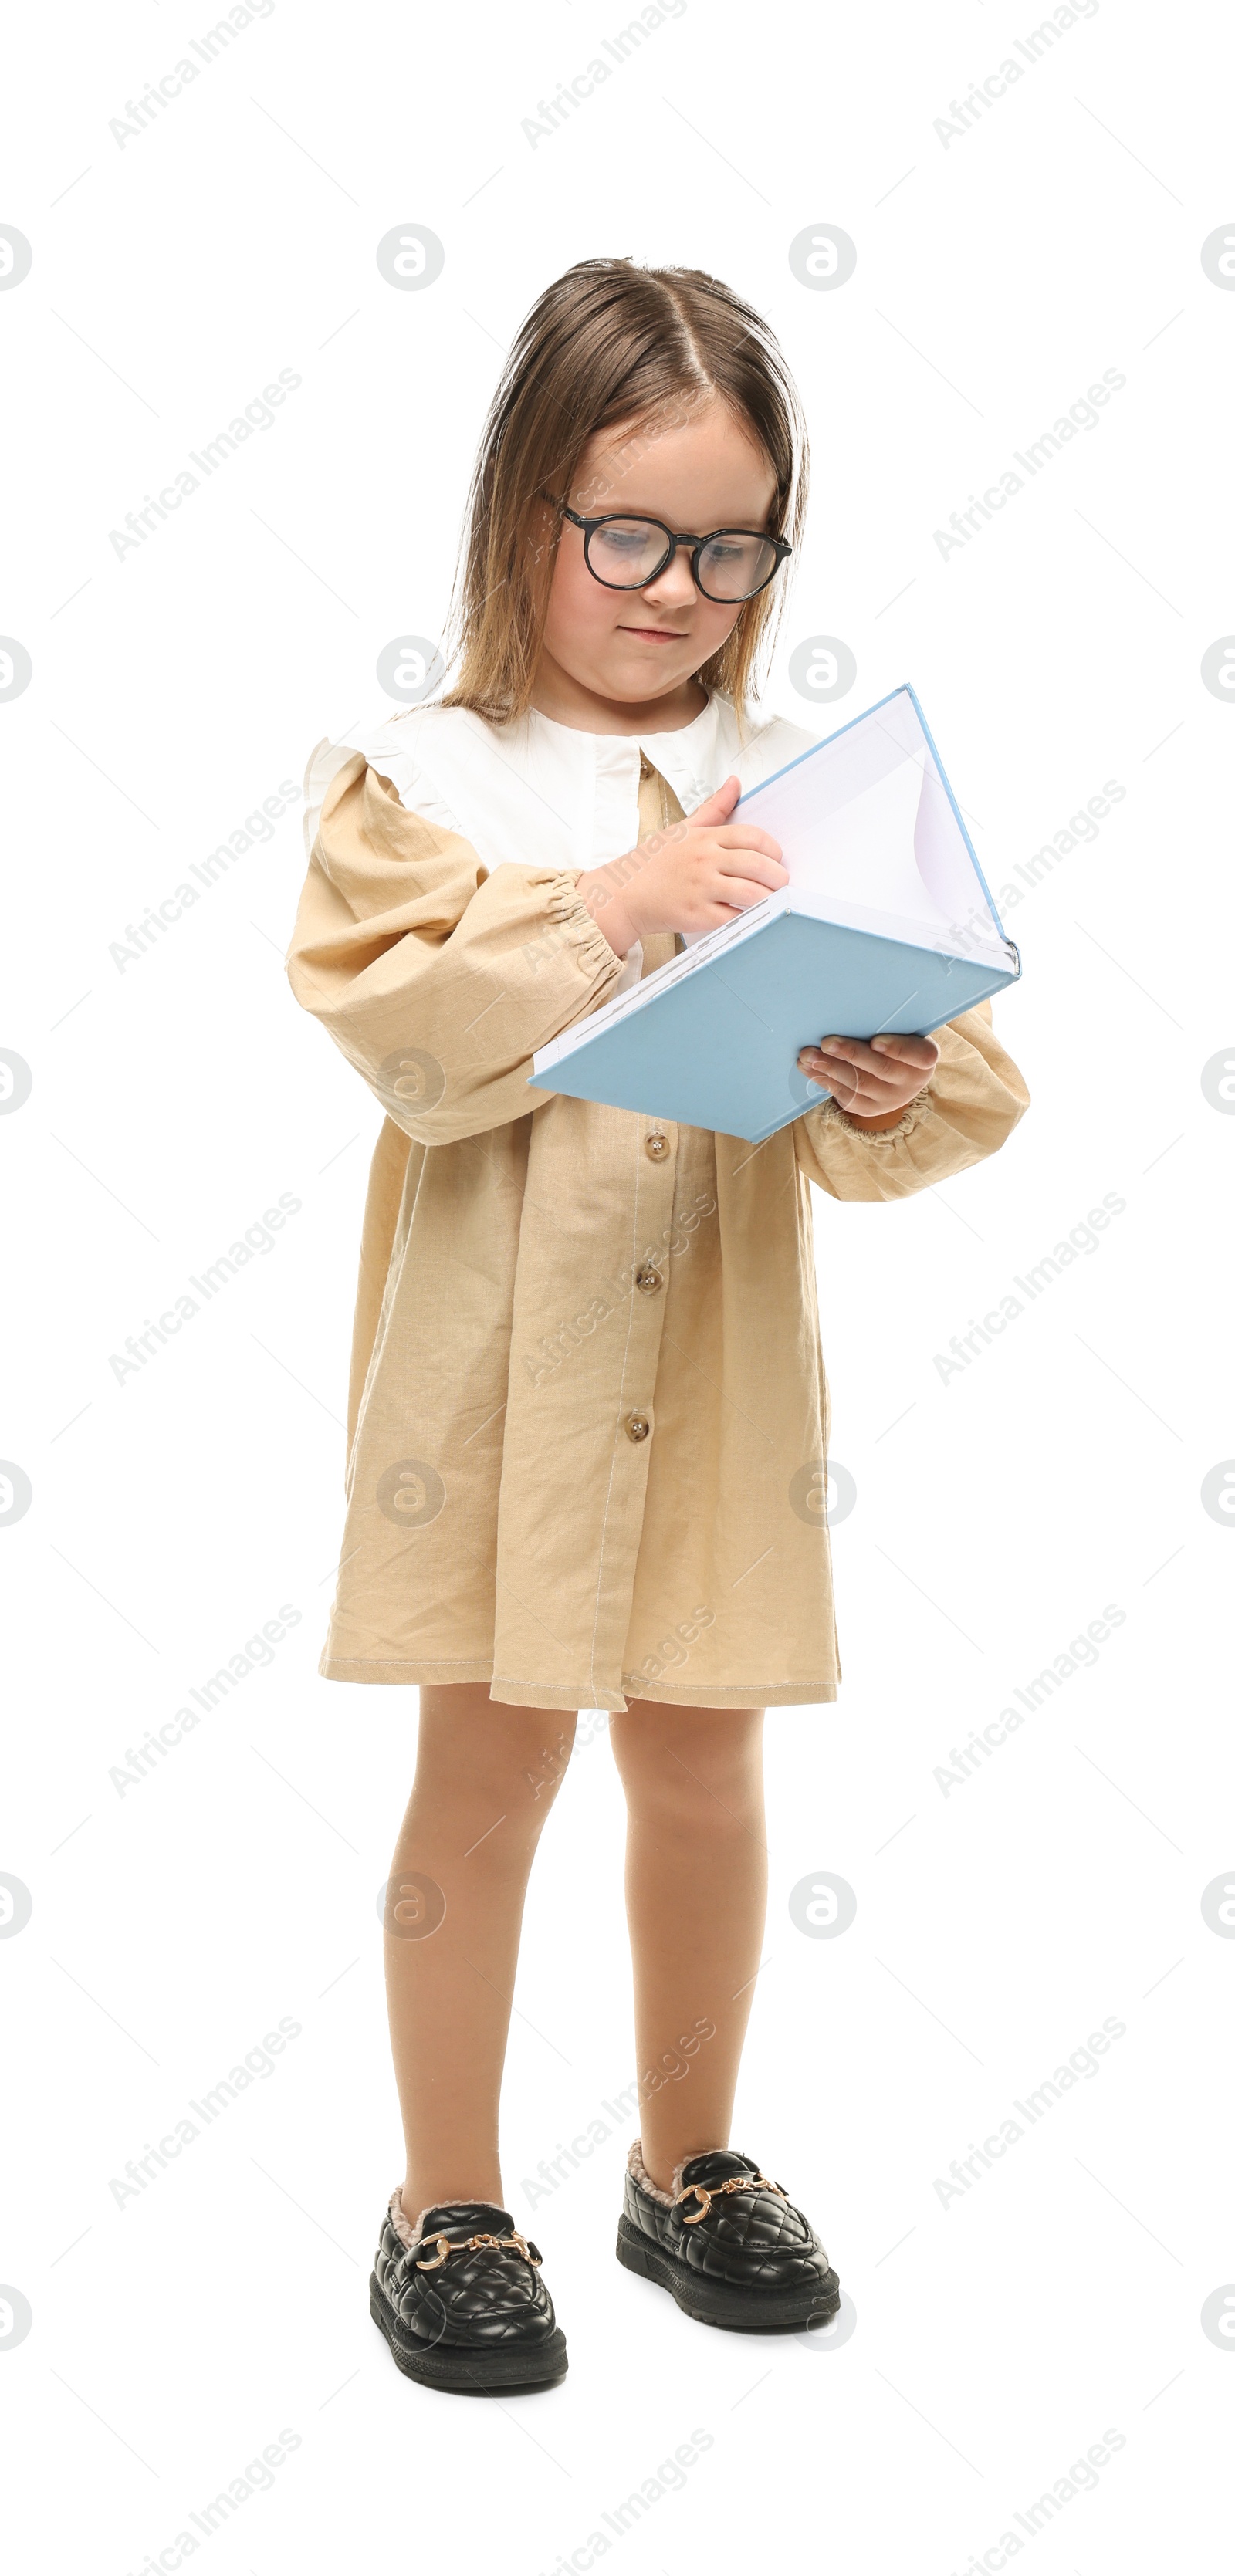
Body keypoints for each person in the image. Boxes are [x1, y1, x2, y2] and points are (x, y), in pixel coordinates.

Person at [287, 257, 1029, 2395]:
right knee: (486, 1768)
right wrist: (616, 906)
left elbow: (946, 1072)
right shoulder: (426, 774)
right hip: (493, 1369)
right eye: (631, 531)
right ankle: (448, 2194)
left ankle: (685, 2158)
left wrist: (884, 1072)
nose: (677, 587)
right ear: (527, 507)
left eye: (730, 545)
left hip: (707, 1361)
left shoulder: (806, 788)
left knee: (703, 1762)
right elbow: (401, 1022)